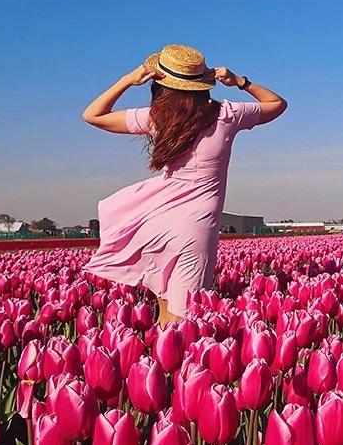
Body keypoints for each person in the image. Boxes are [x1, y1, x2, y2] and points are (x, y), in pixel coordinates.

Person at [80, 44, 287, 323]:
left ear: (160, 83)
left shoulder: (157, 117)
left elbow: (93, 115)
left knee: (166, 308)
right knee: (184, 317)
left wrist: (128, 80)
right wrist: (240, 82)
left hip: (158, 217)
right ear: (203, 83)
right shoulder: (227, 114)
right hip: (196, 224)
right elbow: (277, 104)